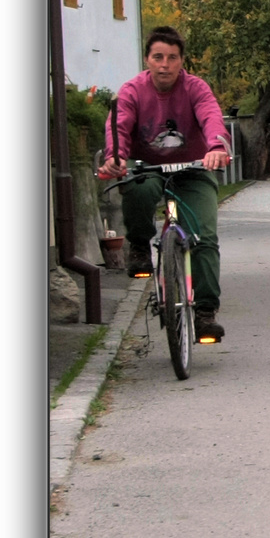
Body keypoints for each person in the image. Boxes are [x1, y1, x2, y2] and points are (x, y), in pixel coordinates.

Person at [101, 26, 231, 342]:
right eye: (158, 57)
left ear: (181, 61)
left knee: (204, 236)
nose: (165, 64)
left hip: (194, 167)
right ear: (147, 59)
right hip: (149, 166)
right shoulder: (132, 91)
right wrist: (116, 157)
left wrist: (216, 147)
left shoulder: (196, 88)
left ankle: (204, 313)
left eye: (172, 58)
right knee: (139, 189)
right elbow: (118, 125)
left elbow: (212, 117)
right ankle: (139, 247)